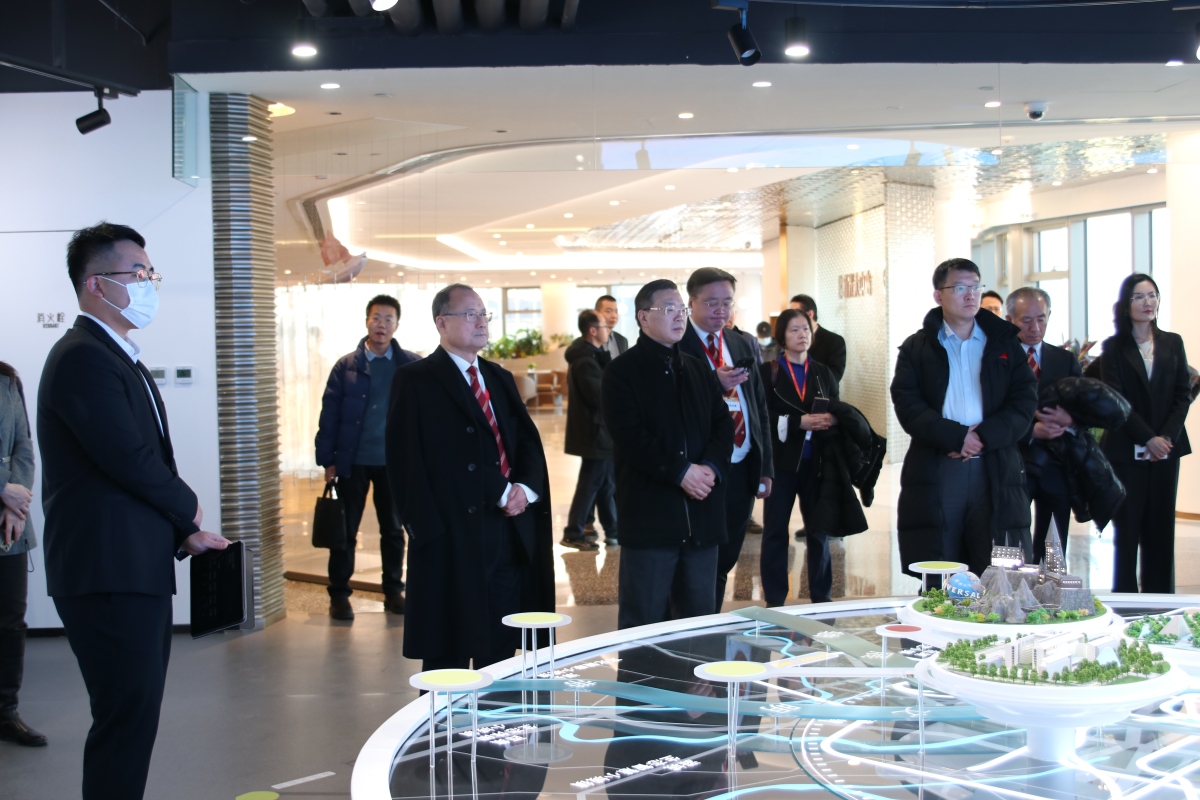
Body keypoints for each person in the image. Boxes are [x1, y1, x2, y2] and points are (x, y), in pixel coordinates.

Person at [38, 223, 230, 800]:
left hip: (130, 566)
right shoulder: (82, 358)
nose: (149, 284)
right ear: (96, 284)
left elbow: (134, 461)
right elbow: (126, 458)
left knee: (133, 714)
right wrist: (188, 507)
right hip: (107, 571)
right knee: (125, 719)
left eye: (151, 273)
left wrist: (184, 533)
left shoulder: (118, 357)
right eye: (138, 274)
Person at [386, 284, 554, 670]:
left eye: (483, 314)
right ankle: (450, 714)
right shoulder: (415, 379)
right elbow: (407, 461)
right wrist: (427, 531)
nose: (481, 322)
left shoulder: (498, 376)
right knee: (449, 654)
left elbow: (525, 441)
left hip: (508, 531)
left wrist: (524, 489)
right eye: (469, 314)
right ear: (442, 323)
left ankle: (498, 711)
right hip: (452, 535)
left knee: (502, 649)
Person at [890, 258, 1036, 579]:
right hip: (940, 466)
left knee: (994, 570)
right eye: (959, 287)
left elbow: (1024, 400)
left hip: (994, 466)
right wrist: (957, 437)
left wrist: (982, 437)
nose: (970, 295)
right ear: (938, 295)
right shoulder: (917, 348)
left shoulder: (1004, 343)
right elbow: (908, 404)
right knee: (940, 567)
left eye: (975, 287)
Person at [602, 279, 733, 629]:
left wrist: (710, 468)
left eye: (682, 309)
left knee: (699, 625)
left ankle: (697, 669)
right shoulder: (621, 372)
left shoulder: (697, 368)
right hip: (651, 521)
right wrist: (681, 472)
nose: (679, 316)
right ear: (644, 317)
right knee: (643, 625)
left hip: (702, 517)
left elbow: (723, 425)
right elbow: (630, 436)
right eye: (669, 309)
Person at [315, 295, 419, 620]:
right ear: (366, 322)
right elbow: (329, 415)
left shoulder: (411, 365)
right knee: (345, 532)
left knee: (393, 531)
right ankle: (339, 595)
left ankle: (393, 591)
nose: (381, 324)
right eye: (376, 318)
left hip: (394, 464)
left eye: (388, 319)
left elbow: (424, 416)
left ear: (397, 325)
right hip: (352, 462)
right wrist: (328, 460)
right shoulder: (346, 366)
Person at [1088, 273, 1191, 593]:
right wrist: (1148, 438)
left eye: (1152, 295)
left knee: (1161, 529)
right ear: (1126, 304)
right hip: (1125, 451)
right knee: (1127, 531)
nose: (1148, 302)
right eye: (1139, 296)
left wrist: (1165, 439)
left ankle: (1161, 602)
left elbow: (1182, 394)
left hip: (1166, 452)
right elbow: (1115, 401)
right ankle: (1126, 601)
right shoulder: (1114, 348)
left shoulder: (1173, 342)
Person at [681, 268, 772, 612]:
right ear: (691, 302)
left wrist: (765, 467)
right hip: (703, 470)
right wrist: (712, 383)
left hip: (743, 466)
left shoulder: (739, 342)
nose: (721, 310)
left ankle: (711, 622)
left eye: (727, 302)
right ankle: (692, 627)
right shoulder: (678, 344)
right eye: (711, 302)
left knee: (726, 557)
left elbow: (759, 408)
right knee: (698, 559)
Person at [758, 310, 840, 605]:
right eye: (794, 330)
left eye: (805, 329)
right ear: (782, 336)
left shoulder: (822, 372)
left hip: (816, 463)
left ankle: (821, 596)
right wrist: (797, 422)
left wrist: (832, 419)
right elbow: (760, 416)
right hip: (780, 463)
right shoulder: (768, 372)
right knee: (775, 531)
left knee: (819, 532)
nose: (802, 334)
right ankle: (775, 599)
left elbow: (838, 409)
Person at [1007, 286, 1082, 563]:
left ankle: (1050, 584)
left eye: (1041, 319)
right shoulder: (999, 358)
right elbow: (991, 411)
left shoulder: (1065, 360)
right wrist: (1031, 431)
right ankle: (1011, 586)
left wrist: (1070, 420)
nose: (1035, 328)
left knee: (1054, 542)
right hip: (1014, 462)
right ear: (1010, 319)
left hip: (1056, 463)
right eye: (1026, 320)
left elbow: (1085, 408)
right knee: (1011, 539)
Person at [0, 361, 43, 747]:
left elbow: (23, 446)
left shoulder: (6, 380)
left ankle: (5, 712)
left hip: (8, 523)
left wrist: (16, 503)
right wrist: (2, 487)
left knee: (10, 622)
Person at [561, 310, 618, 550]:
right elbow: (598, 397)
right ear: (593, 331)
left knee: (605, 484)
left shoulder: (592, 356)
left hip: (599, 433)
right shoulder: (585, 361)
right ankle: (573, 533)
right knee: (590, 485)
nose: (608, 330)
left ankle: (614, 531)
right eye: (604, 326)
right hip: (595, 433)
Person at [789, 294, 847, 381]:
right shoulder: (790, 339)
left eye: (794, 314)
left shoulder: (834, 341)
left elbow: (834, 376)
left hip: (819, 389)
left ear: (810, 314)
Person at [596, 295, 629, 359]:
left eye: (616, 311)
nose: (614, 316)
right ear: (597, 313)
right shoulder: (590, 340)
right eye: (609, 311)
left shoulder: (623, 340)